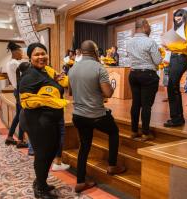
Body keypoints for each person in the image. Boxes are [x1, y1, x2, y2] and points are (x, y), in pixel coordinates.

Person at [69, 40, 126, 193]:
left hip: (78, 115)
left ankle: (80, 181)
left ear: (81, 51)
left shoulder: (72, 68)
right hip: (95, 114)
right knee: (113, 131)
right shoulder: (99, 68)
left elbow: (70, 92)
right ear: (95, 51)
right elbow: (108, 93)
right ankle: (112, 165)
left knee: (85, 146)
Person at [19, 43, 68, 199]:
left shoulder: (46, 71)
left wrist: (57, 80)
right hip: (37, 121)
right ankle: (40, 188)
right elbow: (26, 101)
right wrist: (53, 102)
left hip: (49, 120)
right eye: (37, 54)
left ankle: (41, 181)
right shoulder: (29, 76)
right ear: (30, 57)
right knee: (43, 154)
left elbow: (53, 85)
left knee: (52, 150)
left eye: (43, 54)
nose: (41, 57)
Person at [126, 18, 162, 140]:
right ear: (144, 26)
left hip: (133, 74)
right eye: (149, 25)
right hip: (147, 75)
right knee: (146, 105)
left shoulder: (129, 42)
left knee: (136, 104)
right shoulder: (150, 42)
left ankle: (134, 131)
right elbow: (157, 61)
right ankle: (146, 133)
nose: (150, 28)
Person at [162, 9, 187, 127]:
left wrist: (170, 45)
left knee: (173, 87)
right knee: (172, 88)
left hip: (180, 58)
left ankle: (177, 119)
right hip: (173, 58)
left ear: (185, 17)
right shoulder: (179, 28)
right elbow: (176, 45)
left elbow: (185, 45)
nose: (177, 21)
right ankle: (177, 118)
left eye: (179, 19)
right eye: (176, 20)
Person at [5, 41, 27, 148]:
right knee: (22, 116)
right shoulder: (16, 64)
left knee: (18, 116)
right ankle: (20, 140)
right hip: (20, 91)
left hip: (16, 90)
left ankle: (10, 137)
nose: (22, 53)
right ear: (15, 52)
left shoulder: (9, 63)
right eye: (21, 51)